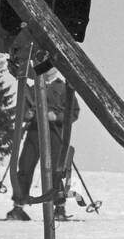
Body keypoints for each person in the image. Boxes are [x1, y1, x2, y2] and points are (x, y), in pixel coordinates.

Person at [8, 72, 77, 221]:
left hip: (55, 134)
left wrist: (57, 117)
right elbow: (23, 111)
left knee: (55, 171)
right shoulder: (32, 89)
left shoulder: (64, 89)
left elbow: (74, 112)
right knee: (25, 167)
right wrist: (29, 114)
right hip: (35, 132)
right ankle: (18, 207)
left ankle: (59, 208)